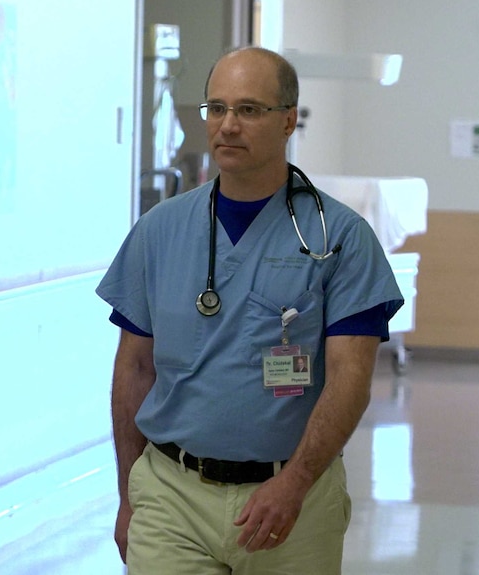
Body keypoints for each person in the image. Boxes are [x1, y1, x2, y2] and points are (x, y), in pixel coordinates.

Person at [96, 46, 403, 575]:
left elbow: (351, 377)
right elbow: (134, 368)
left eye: (249, 110)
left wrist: (295, 483)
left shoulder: (340, 238)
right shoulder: (160, 231)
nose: (228, 125)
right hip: (172, 495)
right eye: (216, 109)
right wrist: (129, 495)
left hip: (293, 499)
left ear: (288, 120)